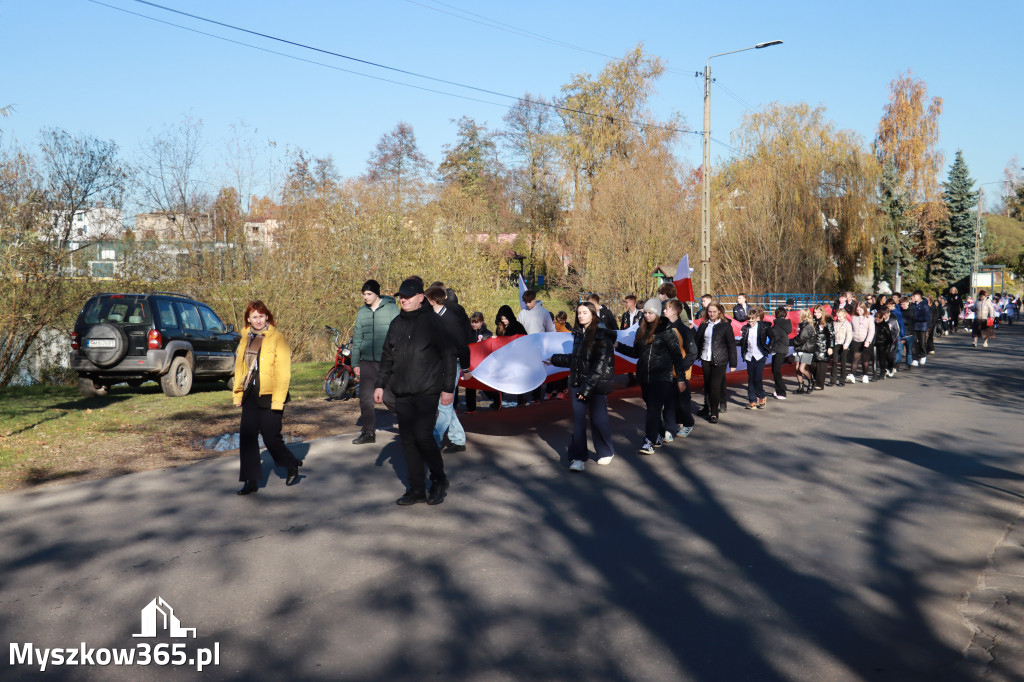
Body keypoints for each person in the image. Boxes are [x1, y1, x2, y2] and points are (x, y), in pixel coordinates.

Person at [375, 278, 456, 506]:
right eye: (401, 295)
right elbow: (387, 356)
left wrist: (448, 389)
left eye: (408, 296)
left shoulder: (433, 323)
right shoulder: (396, 324)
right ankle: (416, 489)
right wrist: (380, 384)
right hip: (402, 391)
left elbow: (449, 355)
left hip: (427, 390)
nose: (403, 299)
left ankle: (439, 480)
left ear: (421, 297)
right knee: (408, 441)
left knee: (423, 436)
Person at [233, 300, 302, 495]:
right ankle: (250, 481)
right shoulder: (245, 338)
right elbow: (240, 368)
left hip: (271, 395)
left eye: (262, 316)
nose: (258, 320)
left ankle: (291, 465)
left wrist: (278, 401)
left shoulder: (277, 338)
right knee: (247, 439)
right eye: (254, 317)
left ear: (267, 317)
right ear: (248, 318)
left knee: (271, 438)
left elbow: (283, 373)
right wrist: (238, 394)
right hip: (250, 395)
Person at [545, 301, 616, 472]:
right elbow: (576, 360)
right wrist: (554, 359)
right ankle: (578, 457)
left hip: (597, 384)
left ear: (593, 314)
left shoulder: (602, 335)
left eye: (584, 312)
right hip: (578, 382)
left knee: (598, 420)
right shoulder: (578, 333)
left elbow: (600, 367)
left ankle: (606, 451)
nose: (581, 315)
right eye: (578, 313)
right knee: (578, 422)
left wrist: (587, 390)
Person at [620, 298, 686, 450]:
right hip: (644, 376)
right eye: (645, 313)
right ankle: (659, 433)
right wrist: (618, 346)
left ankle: (648, 441)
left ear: (656, 313)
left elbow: (676, 355)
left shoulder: (667, 331)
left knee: (653, 409)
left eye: (650, 313)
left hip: (661, 377)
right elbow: (635, 353)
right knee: (652, 408)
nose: (647, 316)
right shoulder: (641, 330)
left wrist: (681, 379)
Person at [350, 279, 399, 445]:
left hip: (386, 362)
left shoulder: (392, 309)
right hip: (366, 362)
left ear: (377, 293)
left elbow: (399, 335)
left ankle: (408, 424)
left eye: (369, 294)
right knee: (364, 398)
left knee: (389, 398)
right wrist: (355, 362)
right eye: (364, 294)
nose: (366, 297)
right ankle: (368, 432)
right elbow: (357, 338)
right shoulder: (361, 312)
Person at [425, 285, 473, 453]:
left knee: (444, 405)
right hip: (438, 365)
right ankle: (458, 439)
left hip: (453, 364)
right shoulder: (432, 317)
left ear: (432, 301)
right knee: (445, 404)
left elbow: (462, 346)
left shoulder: (451, 320)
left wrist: (466, 369)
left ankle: (433, 441)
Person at [695, 302, 737, 423]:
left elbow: (731, 345)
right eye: (709, 311)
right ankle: (706, 407)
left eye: (714, 311)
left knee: (714, 386)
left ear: (719, 311)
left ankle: (714, 413)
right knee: (707, 385)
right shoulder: (703, 325)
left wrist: (733, 363)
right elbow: (697, 342)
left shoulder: (725, 326)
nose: (712, 314)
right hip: (706, 359)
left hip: (720, 360)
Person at [663, 299, 698, 437]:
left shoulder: (684, 330)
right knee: (669, 403)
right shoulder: (663, 328)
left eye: (666, 308)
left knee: (682, 402)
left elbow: (693, 352)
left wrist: (680, 367)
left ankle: (688, 423)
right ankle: (671, 427)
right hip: (666, 374)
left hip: (681, 375)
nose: (664, 311)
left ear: (674, 311)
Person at [517, 289, 556, 404]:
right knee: (523, 371)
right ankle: (521, 397)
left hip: (539, 347)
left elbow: (551, 330)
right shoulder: (522, 313)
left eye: (529, 302)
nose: (527, 304)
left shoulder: (544, 312)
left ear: (534, 300)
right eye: (525, 302)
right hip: (525, 346)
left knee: (536, 371)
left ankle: (536, 397)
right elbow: (518, 330)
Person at [739, 307, 772, 408]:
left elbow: (773, 338)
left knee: (757, 378)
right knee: (751, 379)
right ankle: (752, 400)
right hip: (749, 356)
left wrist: (768, 349)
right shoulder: (745, 329)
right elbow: (742, 342)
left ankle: (762, 396)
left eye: (752, 320)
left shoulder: (763, 327)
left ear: (756, 318)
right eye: (749, 320)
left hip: (760, 356)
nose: (750, 322)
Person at [465, 312, 497, 413]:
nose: (474, 324)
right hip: (471, 362)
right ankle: (471, 408)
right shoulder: (468, 332)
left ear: (481, 322)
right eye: (472, 322)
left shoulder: (487, 334)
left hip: (482, 363)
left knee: (483, 384)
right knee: (470, 384)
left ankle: (496, 398)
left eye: (476, 322)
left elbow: (490, 348)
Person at [847, 302, 875, 383]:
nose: (859, 311)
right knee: (855, 358)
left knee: (865, 359)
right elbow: (851, 329)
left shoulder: (869, 318)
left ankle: (865, 375)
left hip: (865, 341)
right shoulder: (853, 318)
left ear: (864, 309)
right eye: (857, 310)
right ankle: (852, 375)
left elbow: (871, 331)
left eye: (860, 310)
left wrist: (868, 341)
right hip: (855, 340)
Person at [769, 306, 792, 399]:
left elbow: (774, 337)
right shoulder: (785, 324)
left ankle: (782, 391)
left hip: (779, 349)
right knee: (774, 370)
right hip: (781, 349)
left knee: (776, 370)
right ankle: (779, 390)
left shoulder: (777, 325)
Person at [809, 305, 834, 391]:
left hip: (823, 345)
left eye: (818, 312)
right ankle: (815, 380)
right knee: (813, 365)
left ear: (822, 312)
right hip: (814, 346)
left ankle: (820, 384)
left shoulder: (827, 320)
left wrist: (830, 347)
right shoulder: (813, 320)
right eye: (815, 312)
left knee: (821, 365)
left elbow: (831, 335)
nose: (816, 314)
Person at [792, 309, 815, 394]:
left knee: (801, 369)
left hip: (806, 349)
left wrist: (789, 341)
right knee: (797, 368)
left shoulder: (807, 326)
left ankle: (811, 380)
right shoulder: (801, 325)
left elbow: (801, 339)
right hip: (799, 349)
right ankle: (800, 386)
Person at [831, 306, 852, 388]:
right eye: (837, 316)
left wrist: (846, 344)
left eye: (840, 316)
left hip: (844, 344)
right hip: (836, 344)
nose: (838, 318)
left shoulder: (847, 324)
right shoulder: (835, 323)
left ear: (844, 316)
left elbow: (849, 335)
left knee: (843, 362)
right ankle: (833, 379)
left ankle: (842, 379)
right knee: (835, 361)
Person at [910, 290, 931, 366]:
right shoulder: (913, 305)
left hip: (922, 327)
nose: (913, 297)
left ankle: (923, 355)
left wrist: (915, 318)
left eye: (914, 296)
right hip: (914, 326)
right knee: (914, 343)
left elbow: (926, 317)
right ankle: (915, 358)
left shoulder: (925, 306)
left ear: (919, 296)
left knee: (922, 342)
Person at [874, 309, 895, 380]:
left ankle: (883, 372)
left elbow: (889, 337)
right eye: (876, 318)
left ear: (881, 318)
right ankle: (879, 372)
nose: (877, 320)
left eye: (878, 319)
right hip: (875, 344)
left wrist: (888, 347)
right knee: (877, 359)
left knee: (883, 359)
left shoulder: (885, 325)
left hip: (883, 345)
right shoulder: (873, 324)